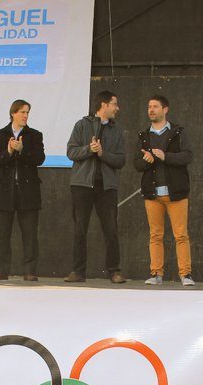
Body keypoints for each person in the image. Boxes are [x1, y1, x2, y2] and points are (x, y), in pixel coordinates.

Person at [64, 90, 127, 284]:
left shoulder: (116, 131)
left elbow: (121, 160)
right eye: (114, 104)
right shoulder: (82, 125)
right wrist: (88, 149)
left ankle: (114, 271)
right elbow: (71, 152)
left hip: (107, 187)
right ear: (103, 105)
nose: (117, 108)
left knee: (111, 229)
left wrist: (102, 153)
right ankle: (78, 271)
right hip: (82, 184)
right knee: (80, 228)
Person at [132, 94, 194, 286]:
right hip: (152, 194)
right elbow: (136, 164)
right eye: (149, 106)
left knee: (181, 235)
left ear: (165, 109)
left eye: (155, 106)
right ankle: (156, 273)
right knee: (155, 235)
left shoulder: (178, 132)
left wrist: (165, 156)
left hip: (176, 193)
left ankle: (185, 275)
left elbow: (187, 156)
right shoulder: (143, 136)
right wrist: (146, 160)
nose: (151, 110)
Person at [0, 99, 45, 281]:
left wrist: (23, 149)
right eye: (22, 112)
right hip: (5, 191)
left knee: (29, 234)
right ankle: (1, 270)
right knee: (2, 234)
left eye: (27, 112)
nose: (25, 116)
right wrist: (9, 153)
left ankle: (30, 270)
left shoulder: (35, 135)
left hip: (28, 192)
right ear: (13, 113)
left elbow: (39, 158)